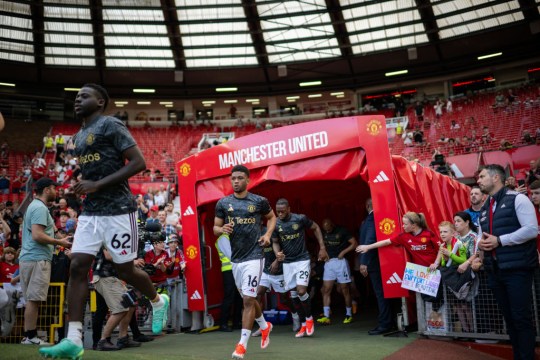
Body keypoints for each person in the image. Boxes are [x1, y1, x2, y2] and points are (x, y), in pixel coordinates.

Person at [40, 84, 169, 360]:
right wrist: (84, 186)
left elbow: (138, 162)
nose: (77, 100)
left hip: (120, 210)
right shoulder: (79, 135)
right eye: (75, 97)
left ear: (100, 102)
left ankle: (159, 301)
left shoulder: (110, 124)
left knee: (125, 271)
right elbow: (96, 171)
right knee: (77, 265)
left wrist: (96, 184)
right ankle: (73, 338)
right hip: (91, 212)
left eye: (84, 96)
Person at [213, 165, 276, 359]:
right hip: (236, 259)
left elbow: (272, 217)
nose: (236, 181)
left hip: (255, 255)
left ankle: (242, 345)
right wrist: (222, 230)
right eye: (233, 178)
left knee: (248, 299)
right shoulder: (223, 203)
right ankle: (265, 326)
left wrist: (267, 234)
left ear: (248, 180)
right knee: (247, 298)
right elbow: (215, 227)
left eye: (240, 178)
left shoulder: (259, 201)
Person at [476, 164, 537, 359]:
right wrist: (482, 244)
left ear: (496, 178)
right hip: (495, 271)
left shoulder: (518, 199)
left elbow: (531, 230)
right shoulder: (486, 207)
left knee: (521, 318)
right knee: (510, 320)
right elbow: (480, 236)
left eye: (482, 176)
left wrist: (500, 241)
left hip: (517, 269)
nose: (478, 180)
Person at [20, 178, 72, 345]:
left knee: (32, 299)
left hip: (31, 258)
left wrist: (62, 238)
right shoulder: (39, 208)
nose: (56, 192)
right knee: (34, 299)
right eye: (54, 189)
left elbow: (49, 230)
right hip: (37, 259)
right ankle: (31, 337)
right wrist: (60, 243)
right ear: (48, 189)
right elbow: (37, 235)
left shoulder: (38, 207)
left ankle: (29, 335)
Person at [272, 198, 327, 337]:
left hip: (302, 259)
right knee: (294, 294)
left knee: (301, 291)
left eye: (283, 211)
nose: (280, 214)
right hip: (288, 263)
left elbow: (315, 227)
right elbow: (275, 242)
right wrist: (277, 253)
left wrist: (322, 247)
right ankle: (303, 324)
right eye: (278, 212)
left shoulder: (300, 218)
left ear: (289, 209)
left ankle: (309, 319)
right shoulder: (276, 224)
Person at [92, 248, 140, 351]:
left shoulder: (117, 236)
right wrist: (131, 262)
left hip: (113, 277)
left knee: (130, 304)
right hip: (105, 277)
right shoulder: (108, 234)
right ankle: (103, 341)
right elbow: (108, 255)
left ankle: (123, 338)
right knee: (120, 309)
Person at [358, 198, 392, 335]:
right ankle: (388, 321)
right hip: (379, 261)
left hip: (374, 261)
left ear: (367, 206)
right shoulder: (374, 218)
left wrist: (364, 261)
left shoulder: (372, 219)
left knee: (380, 294)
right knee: (383, 293)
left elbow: (369, 240)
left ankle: (385, 324)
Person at [356, 212, 439, 267]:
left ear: (414, 226)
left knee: (438, 294)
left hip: (434, 269)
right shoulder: (404, 237)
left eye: (405, 224)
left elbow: (440, 250)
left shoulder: (428, 234)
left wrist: (435, 264)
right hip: (419, 272)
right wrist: (367, 247)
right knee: (423, 294)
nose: (403, 226)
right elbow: (386, 242)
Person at [317, 218, 356, 325]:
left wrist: (343, 252)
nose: (327, 231)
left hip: (341, 262)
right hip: (329, 263)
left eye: (328, 228)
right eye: (325, 229)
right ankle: (326, 316)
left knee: (344, 289)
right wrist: (321, 255)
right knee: (326, 290)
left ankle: (349, 314)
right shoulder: (322, 232)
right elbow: (321, 247)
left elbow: (354, 243)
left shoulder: (342, 231)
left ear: (332, 225)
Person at [215, 233, 243, 332]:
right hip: (228, 270)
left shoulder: (231, 237)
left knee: (239, 296)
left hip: (236, 268)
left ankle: (237, 322)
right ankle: (223, 323)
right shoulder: (223, 238)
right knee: (229, 296)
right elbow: (230, 255)